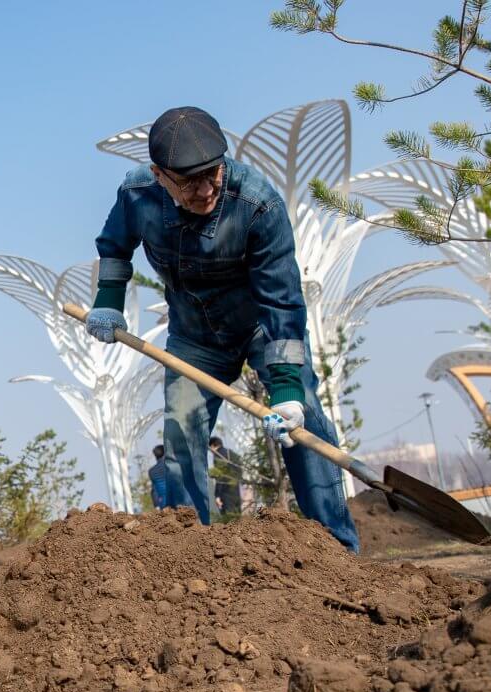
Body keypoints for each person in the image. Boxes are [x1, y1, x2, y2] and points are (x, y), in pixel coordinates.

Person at [84, 107, 358, 551]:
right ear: (160, 175)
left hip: (262, 330)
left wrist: (286, 387)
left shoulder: (257, 204)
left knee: (304, 425)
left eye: (212, 174)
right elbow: (115, 246)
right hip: (194, 339)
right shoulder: (138, 195)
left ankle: (338, 548)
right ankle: (188, 555)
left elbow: (282, 300)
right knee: (182, 437)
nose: (205, 189)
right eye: (188, 180)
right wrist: (108, 302)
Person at [208, 436, 242, 516]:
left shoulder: (218, 456)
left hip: (225, 492)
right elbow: (239, 471)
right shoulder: (231, 453)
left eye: (210, 449)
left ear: (213, 446)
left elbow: (220, 477)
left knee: (228, 519)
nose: (211, 452)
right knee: (238, 518)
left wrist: (217, 495)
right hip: (236, 489)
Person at [147, 444, 168, 510]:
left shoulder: (152, 471)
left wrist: (156, 505)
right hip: (177, 498)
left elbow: (154, 490)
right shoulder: (170, 466)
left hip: (163, 502)